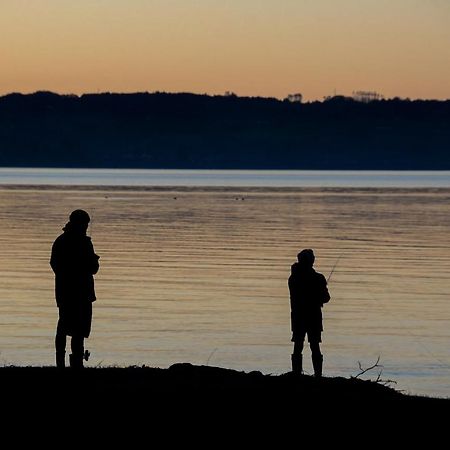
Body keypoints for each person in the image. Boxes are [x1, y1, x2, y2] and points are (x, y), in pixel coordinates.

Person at [50, 209, 100, 369]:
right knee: (77, 329)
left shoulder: (61, 240)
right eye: (84, 224)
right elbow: (93, 269)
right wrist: (92, 260)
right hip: (80, 292)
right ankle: (75, 363)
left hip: (65, 291)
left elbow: (55, 265)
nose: (86, 227)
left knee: (66, 326)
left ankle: (64, 363)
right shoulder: (84, 242)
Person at [288, 249, 330, 377]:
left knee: (298, 344)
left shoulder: (293, 278)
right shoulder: (318, 278)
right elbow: (326, 298)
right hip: (313, 317)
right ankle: (318, 375)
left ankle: (297, 374)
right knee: (315, 345)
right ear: (311, 261)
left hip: (298, 316)